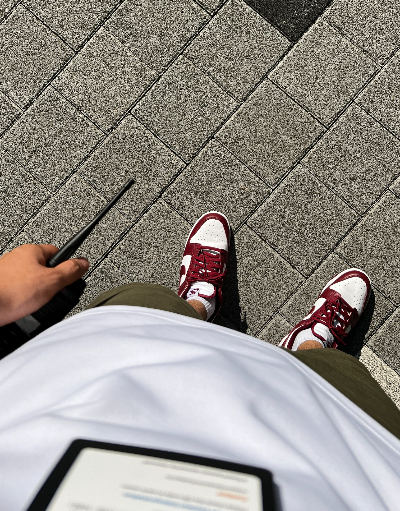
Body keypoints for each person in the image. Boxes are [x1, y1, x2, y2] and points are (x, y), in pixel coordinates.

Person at [0, 212, 399, 510]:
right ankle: (310, 348)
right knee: (334, 381)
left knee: (153, 312)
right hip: (352, 471)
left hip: (75, 397)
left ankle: (198, 305)